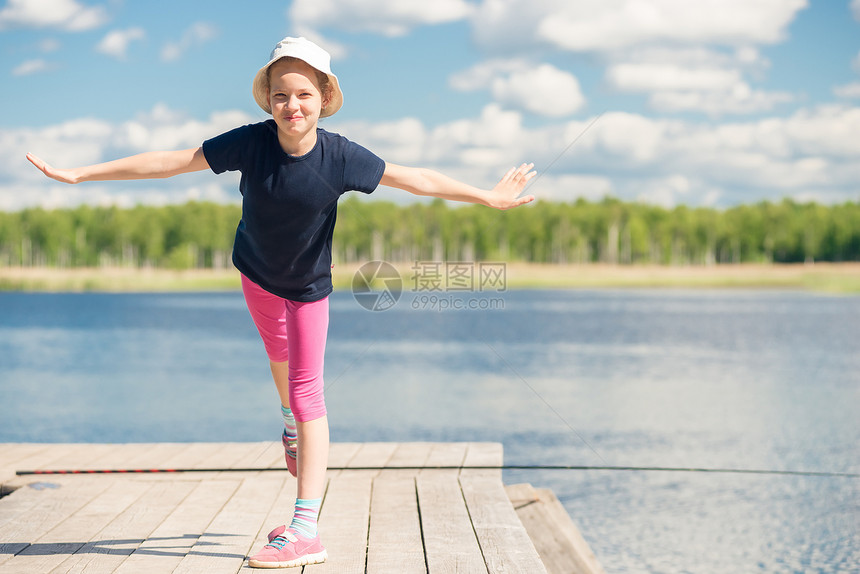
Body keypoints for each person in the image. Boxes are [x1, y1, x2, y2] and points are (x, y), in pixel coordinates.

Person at [26, 36, 536, 569]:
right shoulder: (250, 143)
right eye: (280, 96)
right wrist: (81, 173)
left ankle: (304, 528)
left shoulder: (342, 157)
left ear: (323, 96)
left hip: (310, 289)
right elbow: (170, 162)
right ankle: (289, 425)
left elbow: (418, 179)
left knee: (308, 391)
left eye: (303, 94)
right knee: (280, 362)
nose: (292, 106)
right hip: (257, 277)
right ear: (269, 101)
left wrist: (488, 196)